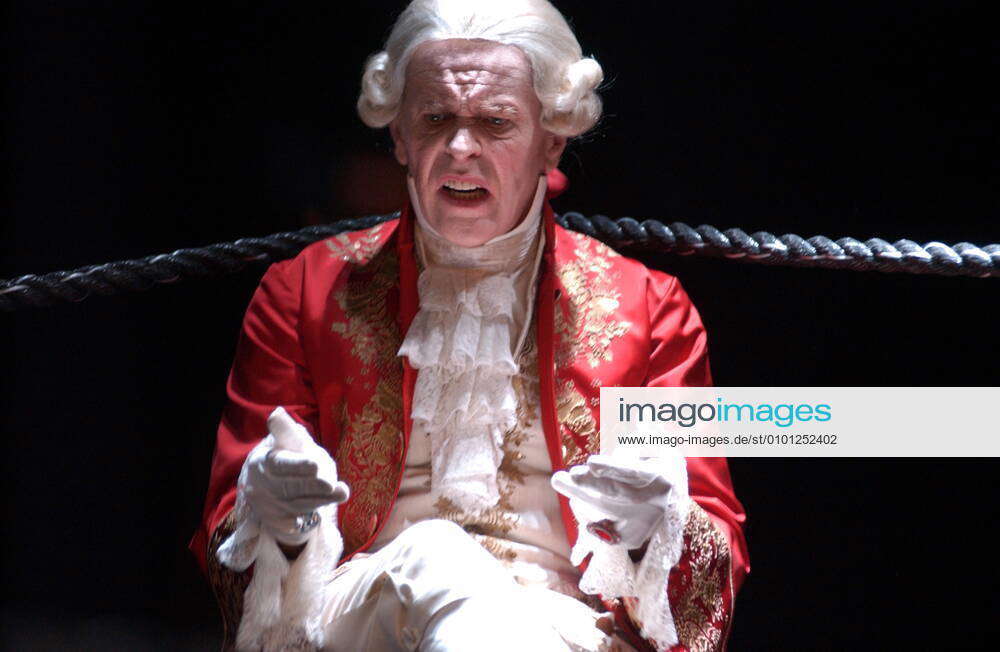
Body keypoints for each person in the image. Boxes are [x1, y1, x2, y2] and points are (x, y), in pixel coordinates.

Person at [191, 1, 748, 650]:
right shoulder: (303, 291)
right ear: (398, 133)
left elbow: (716, 560)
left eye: (495, 122)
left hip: (569, 631)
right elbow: (232, 557)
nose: (460, 148)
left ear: (553, 136)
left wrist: (660, 529)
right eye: (435, 119)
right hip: (358, 617)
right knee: (436, 558)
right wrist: (277, 523)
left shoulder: (648, 309)